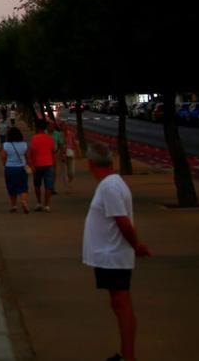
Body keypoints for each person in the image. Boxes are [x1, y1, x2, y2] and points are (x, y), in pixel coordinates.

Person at [83, 142, 150, 361]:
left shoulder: (109, 187)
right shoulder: (112, 184)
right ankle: (125, 354)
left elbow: (123, 222)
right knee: (118, 303)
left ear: (91, 164)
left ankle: (128, 357)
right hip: (111, 254)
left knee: (121, 304)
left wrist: (136, 245)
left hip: (113, 255)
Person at [27, 118, 56, 211]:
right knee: (48, 186)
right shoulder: (50, 138)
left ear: (37, 127)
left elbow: (31, 152)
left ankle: (39, 202)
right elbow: (52, 152)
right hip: (48, 164)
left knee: (37, 185)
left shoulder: (34, 138)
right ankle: (46, 205)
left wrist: (31, 164)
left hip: (37, 164)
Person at [0, 125, 30, 213]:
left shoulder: (5, 145)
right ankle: (24, 201)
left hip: (10, 168)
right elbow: (28, 157)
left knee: (11, 187)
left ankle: (14, 205)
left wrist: (5, 164)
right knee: (23, 186)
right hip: (21, 168)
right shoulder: (24, 144)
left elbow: (3, 158)